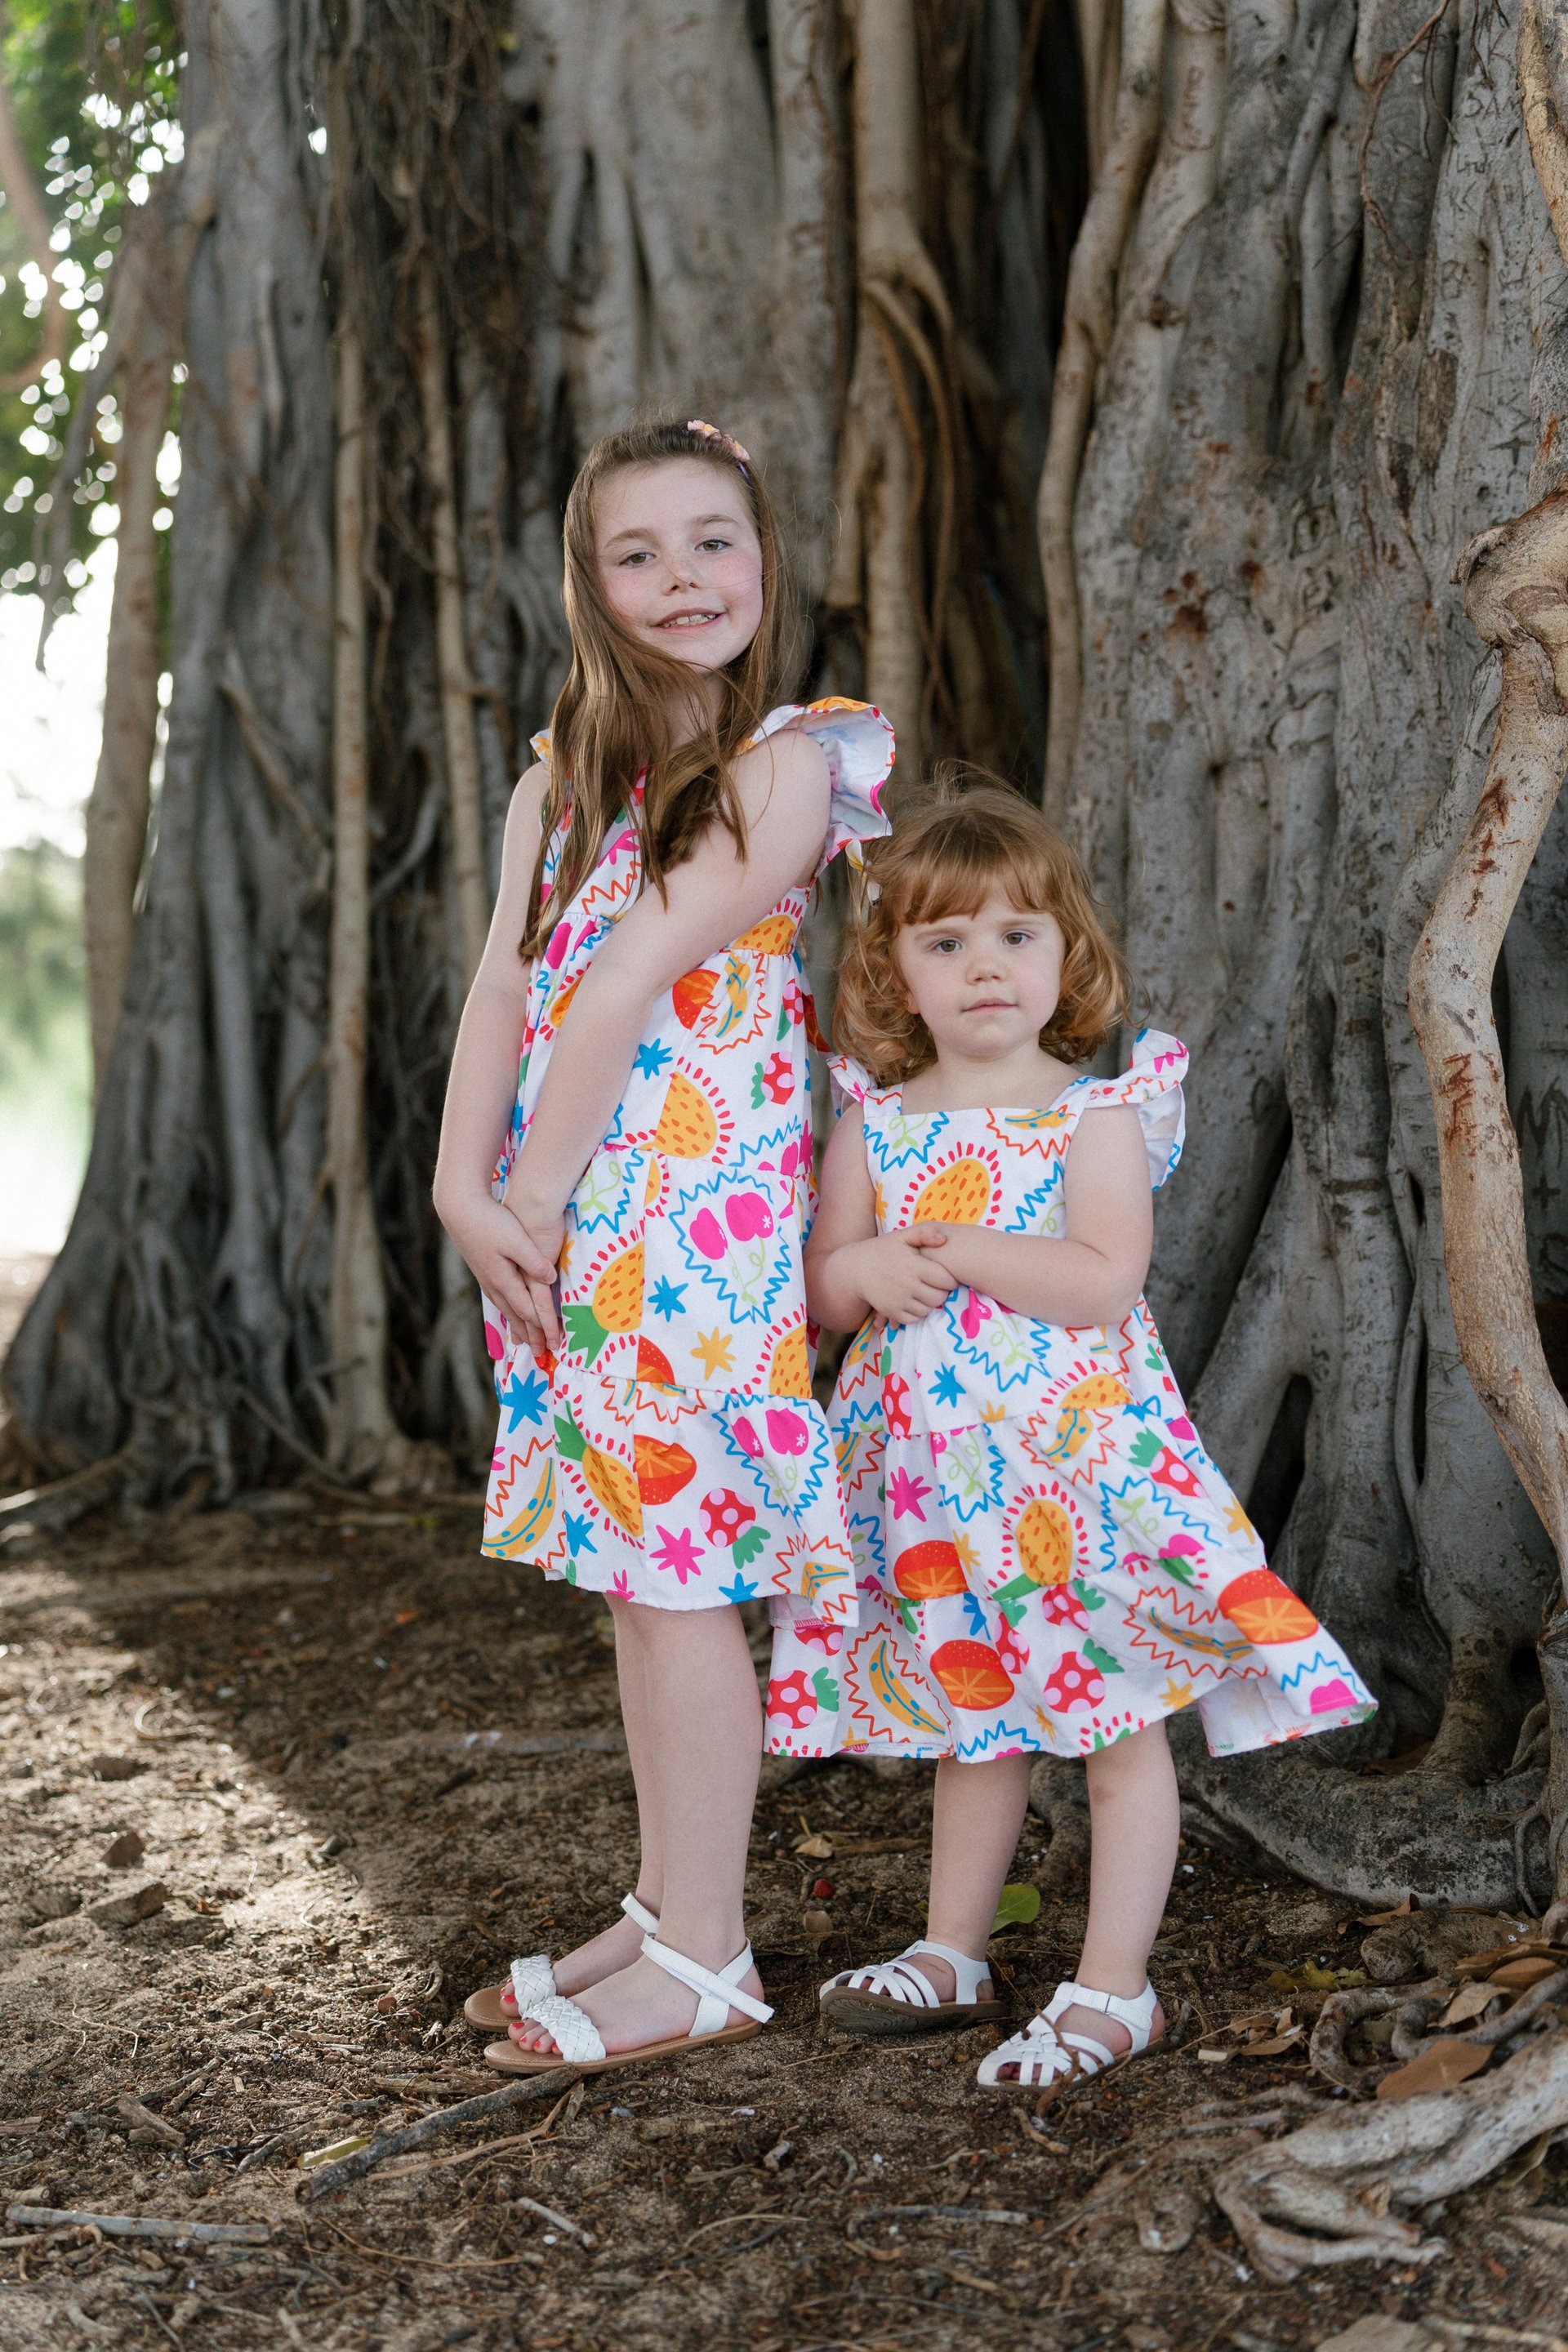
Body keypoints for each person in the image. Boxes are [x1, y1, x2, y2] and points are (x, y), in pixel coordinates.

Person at [765, 780, 1374, 2099]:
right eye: (946, 942)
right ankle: (953, 1953)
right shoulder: (876, 1122)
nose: (985, 965)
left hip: (1071, 1489)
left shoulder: (1096, 1114)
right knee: (971, 1723)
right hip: (933, 1498)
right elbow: (820, 1292)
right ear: (896, 972)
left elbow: (1103, 1279)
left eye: (1015, 935)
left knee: (1114, 1727)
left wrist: (955, 1248)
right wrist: (864, 1264)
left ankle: (1113, 1988)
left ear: (1065, 955)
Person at [434, 418, 893, 2077]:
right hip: (565, 1207)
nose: (683, 579)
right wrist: (463, 1187)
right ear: (590, 583)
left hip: (690, 1221)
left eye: (714, 541)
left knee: (682, 1572)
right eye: (638, 553)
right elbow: (508, 983)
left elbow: (631, 978)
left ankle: (708, 1954)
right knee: (640, 1572)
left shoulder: (790, 766)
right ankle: (659, 1904)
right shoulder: (554, 786)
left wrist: (539, 1198)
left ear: (764, 562)